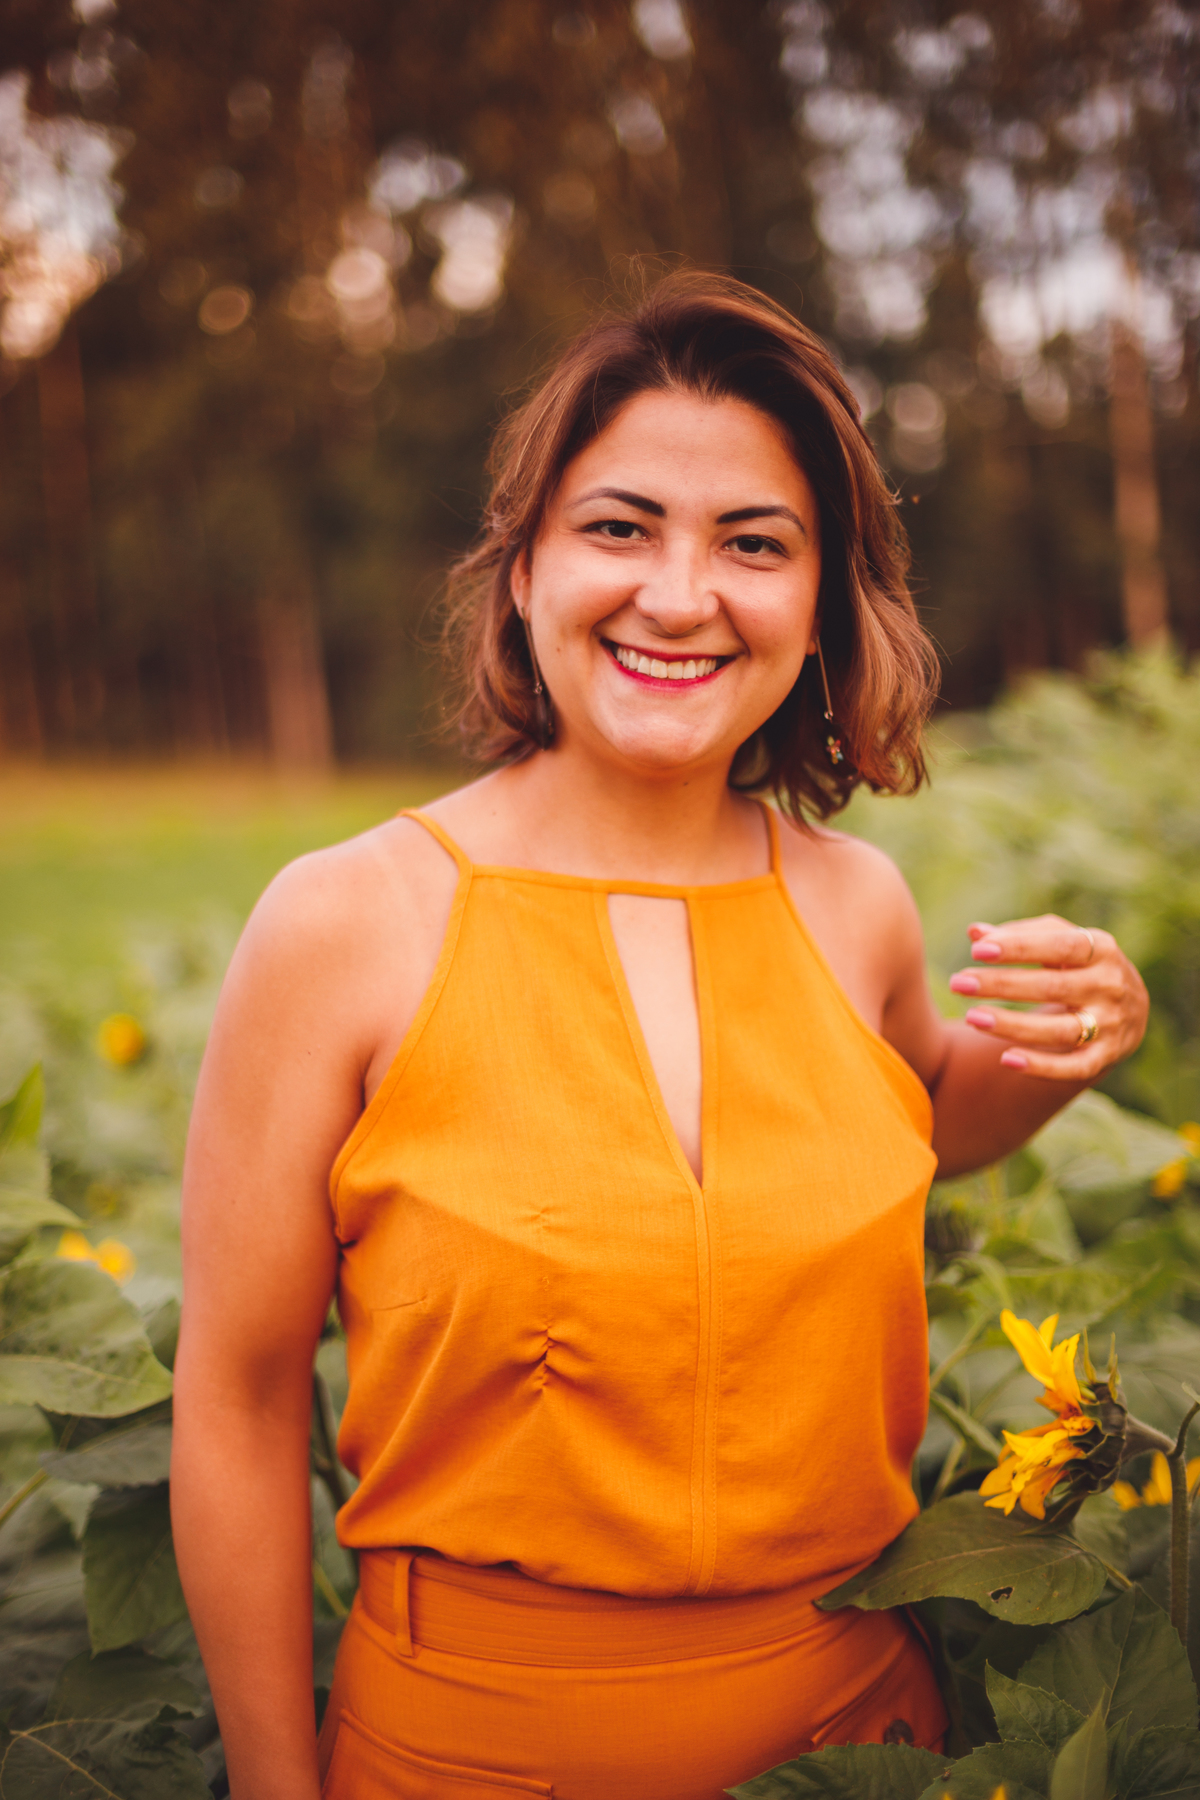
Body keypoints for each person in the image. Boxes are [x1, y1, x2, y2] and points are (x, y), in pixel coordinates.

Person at [171, 272, 1149, 1800]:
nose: (682, 596)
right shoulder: (343, 924)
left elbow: (917, 1117)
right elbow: (235, 1406)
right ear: (524, 572)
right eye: (620, 528)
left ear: (820, 606)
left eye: (753, 544)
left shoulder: (860, 906)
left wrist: (1073, 1043)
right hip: (460, 1756)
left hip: (865, 1745)